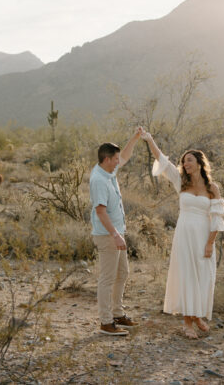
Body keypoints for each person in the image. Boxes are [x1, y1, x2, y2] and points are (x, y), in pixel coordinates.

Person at [140, 129, 224, 339]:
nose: (185, 164)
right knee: (187, 275)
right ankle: (187, 322)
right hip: (185, 234)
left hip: (204, 236)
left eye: (189, 160)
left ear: (199, 162)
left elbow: (216, 218)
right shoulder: (181, 183)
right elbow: (162, 160)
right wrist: (150, 139)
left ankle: (197, 315)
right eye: (183, 162)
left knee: (203, 276)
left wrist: (210, 243)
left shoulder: (212, 188)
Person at [89, 127, 143, 336]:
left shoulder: (109, 171)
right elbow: (101, 211)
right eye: (116, 159)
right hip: (107, 235)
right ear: (107, 159)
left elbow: (126, 156)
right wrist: (116, 235)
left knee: (122, 273)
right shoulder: (99, 180)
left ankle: (118, 314)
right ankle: (106, 322)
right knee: (108, 278)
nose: (119, 162)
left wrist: (135, 138)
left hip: (116, 233)